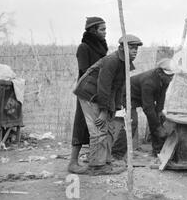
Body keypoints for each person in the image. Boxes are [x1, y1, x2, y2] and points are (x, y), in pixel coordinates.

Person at [73, 34, 143, 176]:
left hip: (102, 95)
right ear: (121, 48)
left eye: (136, 48)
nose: (135, 51)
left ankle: (105, 162)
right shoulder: (112, 61)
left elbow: (118, 87)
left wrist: (116, 108)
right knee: (98, 129)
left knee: (109, 128)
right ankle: (96, 167)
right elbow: (103, 86)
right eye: (131, 47)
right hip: (89, 92)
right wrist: (104, 111)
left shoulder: (125, 63)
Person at [111, 58, 178, 159]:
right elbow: (148, 108)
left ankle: (158, 150)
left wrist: (160, 111)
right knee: (131, 122)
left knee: (158, 118)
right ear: (160, 72)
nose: (171, 78)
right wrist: (158, 127)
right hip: (129, 95)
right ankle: (116, 154)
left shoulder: (165, 78)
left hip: (142, 95)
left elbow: (161, 95)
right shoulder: (149, 82)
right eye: (169, 75)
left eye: (172, 75)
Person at [68, 16, 108, 174]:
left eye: (105, 29)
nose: (105, 32)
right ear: (93, 30)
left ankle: (94, 159)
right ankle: (72, 162)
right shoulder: (84, 47)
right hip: (85, 90)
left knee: (95, 125)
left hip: (97, 90)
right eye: (102, 29)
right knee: (80, 123)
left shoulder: (101, 47)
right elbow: (86, 71)